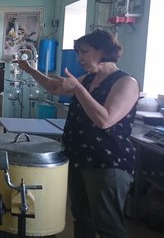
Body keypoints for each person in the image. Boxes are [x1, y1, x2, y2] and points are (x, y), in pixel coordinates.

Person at [17, 29, 139, 238]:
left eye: (84, 51)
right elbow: (54, 87)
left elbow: (105, 119)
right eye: (78, 52)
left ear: (102, 51)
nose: (79, 57)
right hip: (78, 158)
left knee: (108, 226)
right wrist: (29, 69)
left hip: (107, 164)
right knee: (82, 219)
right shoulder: (90, 78)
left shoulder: (126, 82)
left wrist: (78, 89)